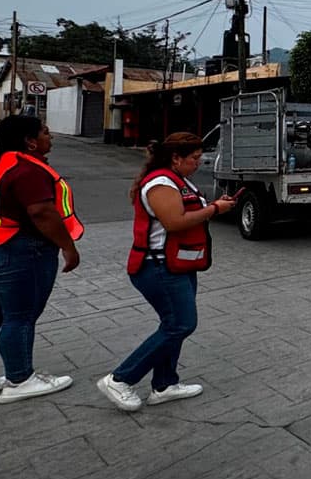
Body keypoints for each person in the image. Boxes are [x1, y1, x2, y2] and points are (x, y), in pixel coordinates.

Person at [96, 133, 238, 412]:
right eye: (194, 158)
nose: (198, 163)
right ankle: (120, 379)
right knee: (181, 324)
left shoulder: (179, 179)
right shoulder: (161, 182)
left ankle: (164, 384)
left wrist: (215, 206)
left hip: (179, 264)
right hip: (158, 267)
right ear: (175, 158)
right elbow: (174, 222)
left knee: (173, 324)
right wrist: (213, 209)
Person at [0, 115, 82, 405]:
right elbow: (41, 212)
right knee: (20, 318)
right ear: (30, 141)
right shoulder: (27, 170)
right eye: (45, 132)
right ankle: (20, 380)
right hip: (21, 251)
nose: (50, 137)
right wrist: (68, 248)